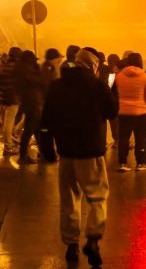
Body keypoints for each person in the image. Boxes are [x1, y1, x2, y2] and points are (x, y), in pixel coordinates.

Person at [39, 48, 118, 266]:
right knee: (97, 199)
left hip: (66, 154)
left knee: (69, 200)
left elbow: (46, 121)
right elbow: (112, 111)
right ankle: (92, 240)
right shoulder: (98, 85)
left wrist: (47, 149)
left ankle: (71, 244)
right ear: (92, 65)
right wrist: (109, 87)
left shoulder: (56, 86)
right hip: (91, 154)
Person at [113, 52, 146, 172]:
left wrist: (120, 105)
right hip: (140, 112)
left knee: (123, 139)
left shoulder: (119, 76)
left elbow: (114, 93)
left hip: (124, 112)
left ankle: (122, 163)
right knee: (140, 139)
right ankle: (140, 163)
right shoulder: (145, 77)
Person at [16, 50, 45, 164]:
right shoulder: (26, 71)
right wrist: (38, 70)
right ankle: (23, 156)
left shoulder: (22, 70)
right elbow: (38, 82)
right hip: (32, 103)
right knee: (29, 130)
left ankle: (43, 152)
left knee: (37, 129)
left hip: (32, 103)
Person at [0, 47, 22, 156]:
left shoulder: (4, 66)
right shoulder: (16, 68)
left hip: (3, 98)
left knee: (6, 124)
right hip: (12, 99)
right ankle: (8, 147)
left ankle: (8, 144)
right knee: (8, 124)